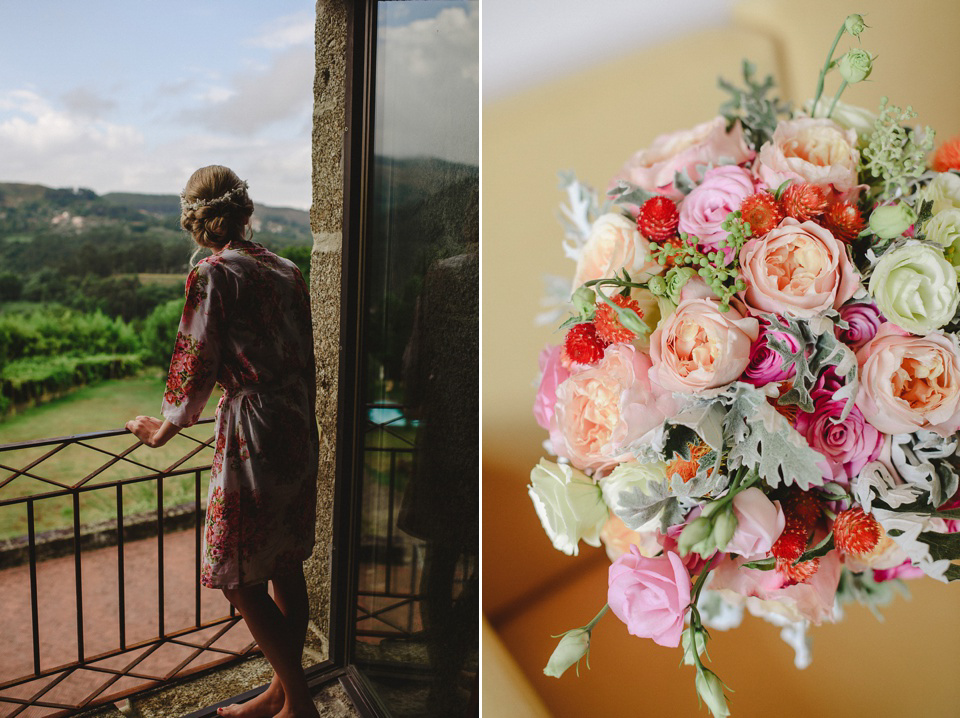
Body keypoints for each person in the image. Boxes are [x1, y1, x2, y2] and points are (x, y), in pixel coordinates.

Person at [126, 165, 321, 718]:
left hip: (253, 431)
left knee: (238, 577)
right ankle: (279, 695)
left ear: (195, 219)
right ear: (244, 210)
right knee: (284, 561)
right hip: (295, 423)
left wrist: (162, 430)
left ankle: (299, 706)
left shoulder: (213, 273)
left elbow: (196, 360)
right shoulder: (286, 268)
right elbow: (305, 355)